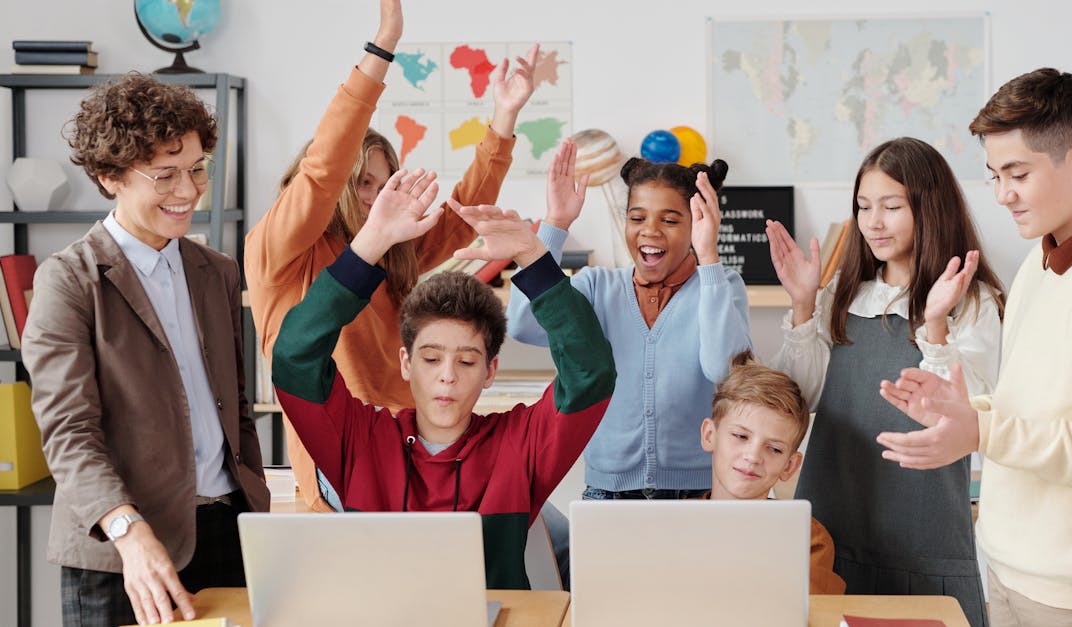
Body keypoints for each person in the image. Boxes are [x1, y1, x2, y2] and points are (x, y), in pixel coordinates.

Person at [879, 69, 1072, 627]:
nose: (1002, 195)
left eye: (1017, 173)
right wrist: (965, 415)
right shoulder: (1041, 264)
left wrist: (985, 432)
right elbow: (1034, 407)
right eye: (995, 175)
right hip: (1009, 565)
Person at [244, 0, 539, 512]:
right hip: (342, 466)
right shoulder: (284, 249)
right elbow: (322, 170)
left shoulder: (392, 251)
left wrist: (504, 118)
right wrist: (383, 48)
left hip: (407, 452)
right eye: (363, 184)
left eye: (385, 185)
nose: (376, 197)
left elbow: (459, 214)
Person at [269, 168, 617, 589]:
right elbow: (294, 357)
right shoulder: (362, 440)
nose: (447, 377)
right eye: (431, 359)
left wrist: (533, 256)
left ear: (490, 371)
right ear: (406, 363)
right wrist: (369, 246)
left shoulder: (518, 445)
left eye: (467, 362)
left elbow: (591, 372)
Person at [22, 74, 270, 626]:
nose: (188, 192)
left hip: (227, 535)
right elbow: (69, 434)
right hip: (124, 551)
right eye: (165, 176)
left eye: (197, 169)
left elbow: (234, 407)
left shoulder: (217, 273)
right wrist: (129, 533)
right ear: (110, 177)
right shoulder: (69, 281)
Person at [766, 137, 1006, 626]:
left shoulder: (972, 301)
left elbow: (970, 417)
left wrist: (935, 323)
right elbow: (800, 398)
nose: (873, 222)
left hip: (925, 539)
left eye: (891, 206)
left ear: (929, 207)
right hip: (831, 532)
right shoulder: (843, 294)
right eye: (863, 206)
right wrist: (802, 305)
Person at [507, 141, 751, 500]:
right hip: (608, 493)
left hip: (698, 492)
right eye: (637, 218)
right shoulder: (594, 287)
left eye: (670, 220)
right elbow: (523, 323)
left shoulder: (721, 285)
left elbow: (723, 370)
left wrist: (709, 254)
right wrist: (555, 224)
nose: (650, 230)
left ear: (697, 225)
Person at [699, 350, 846, 595]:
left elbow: (808, 614)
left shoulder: (807, 537)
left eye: (774, 449)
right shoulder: (671, 526)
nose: (754, 456)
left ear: (789, 465)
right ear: (709, 436)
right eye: (741, 436)